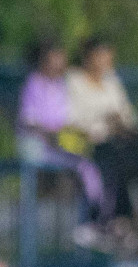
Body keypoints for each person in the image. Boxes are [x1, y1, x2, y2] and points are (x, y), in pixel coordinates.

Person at [67, 37, 138, 258]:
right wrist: (104, 121)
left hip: (119, 141)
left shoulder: (111, 81)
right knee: (116, 163)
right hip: (92, 144)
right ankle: (119, 221)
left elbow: (127, 117)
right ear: (88, 56)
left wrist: (119, 123)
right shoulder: (73, 81)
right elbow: (73, 118)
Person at [17, 38, 105, 247]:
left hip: (58, 147)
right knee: (80, 168)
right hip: (39, 148)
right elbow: (29, 122)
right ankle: (88, 224)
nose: (60, 64)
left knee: (89, 167)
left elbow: (65, 120)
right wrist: (51, 134)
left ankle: (94, 222)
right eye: (55, 60)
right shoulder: (34, 83)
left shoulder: (59, 86)